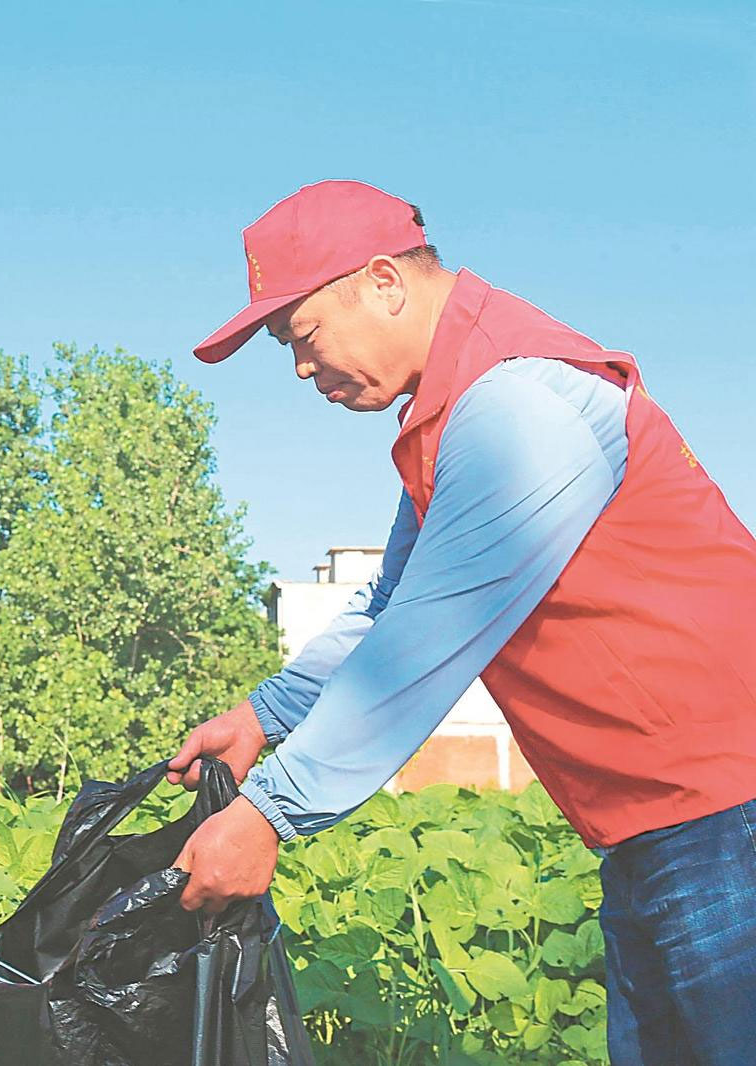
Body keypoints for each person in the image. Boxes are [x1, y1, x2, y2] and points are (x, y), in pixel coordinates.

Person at [166, 180, 756, 1065]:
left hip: (730, 814)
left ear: (383, 283)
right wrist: (262, 714)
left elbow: (429, 637)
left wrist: (269, 815)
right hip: (662, 824)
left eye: (302, 334)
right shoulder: (455, 410)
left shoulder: (522, 405)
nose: (299, 369)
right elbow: (392, 600)